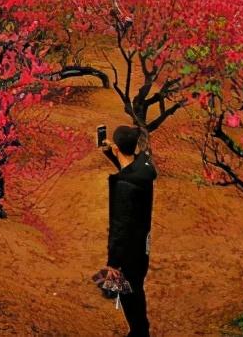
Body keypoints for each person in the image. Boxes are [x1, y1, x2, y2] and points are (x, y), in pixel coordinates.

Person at [101, 125, 156, 337]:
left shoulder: (124, 186)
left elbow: (119, 227)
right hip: (142, 246)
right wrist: (110, 151)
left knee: (128, 293)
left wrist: (113, 261)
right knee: (135, 288)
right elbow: (128, 168)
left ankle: (139, 332)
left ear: (117, 147)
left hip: (128, 250)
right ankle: (139, 329)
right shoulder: (144, 167)